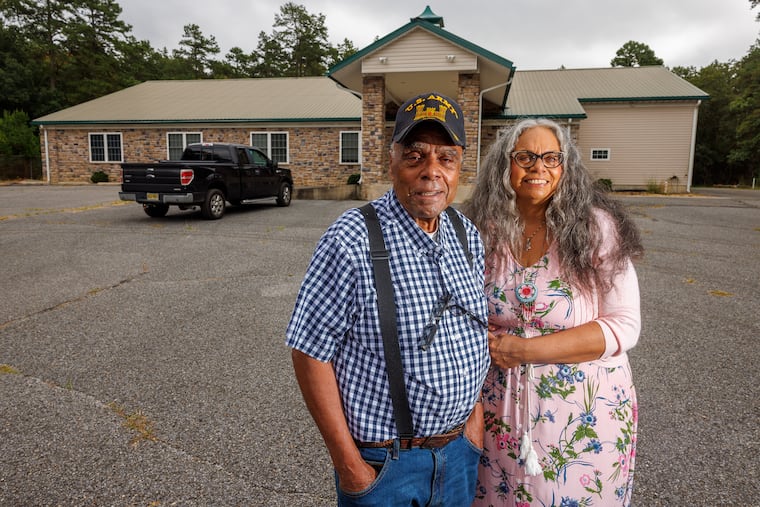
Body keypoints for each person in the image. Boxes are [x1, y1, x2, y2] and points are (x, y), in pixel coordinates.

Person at [286, 92, 491, 506]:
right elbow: (310, 352)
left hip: (458, 455)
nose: (431, 172)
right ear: (391, 161)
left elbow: (470, 333)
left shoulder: (466, 234)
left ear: (460, 166)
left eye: (445, 158)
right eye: (415, 157)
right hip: (385, 467)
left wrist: (473, 424)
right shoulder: (352, 238)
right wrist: (350, 468)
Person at [461, 118, 643, 507]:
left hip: (584, 417)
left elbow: (624, 327)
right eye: (525, 156)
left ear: (566, 167)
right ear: (504, 165)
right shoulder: (482, 230)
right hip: (497, 414)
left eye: (551, 157)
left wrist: (525, 350)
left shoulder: (597, 228)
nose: (537, 166)